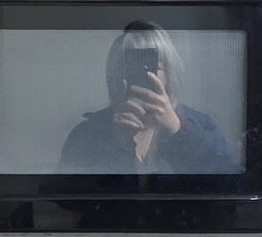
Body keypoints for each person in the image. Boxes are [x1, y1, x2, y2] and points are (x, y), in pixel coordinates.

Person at [59, 23, 237, 174]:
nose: (142, 75)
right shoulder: (89, 131)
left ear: (169, 73)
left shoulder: (200, 126)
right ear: (114, 74)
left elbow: (230, 188)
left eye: (151, 66)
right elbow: (67, 197)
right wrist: (114, 143)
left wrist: (179, 131)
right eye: (129, 66)